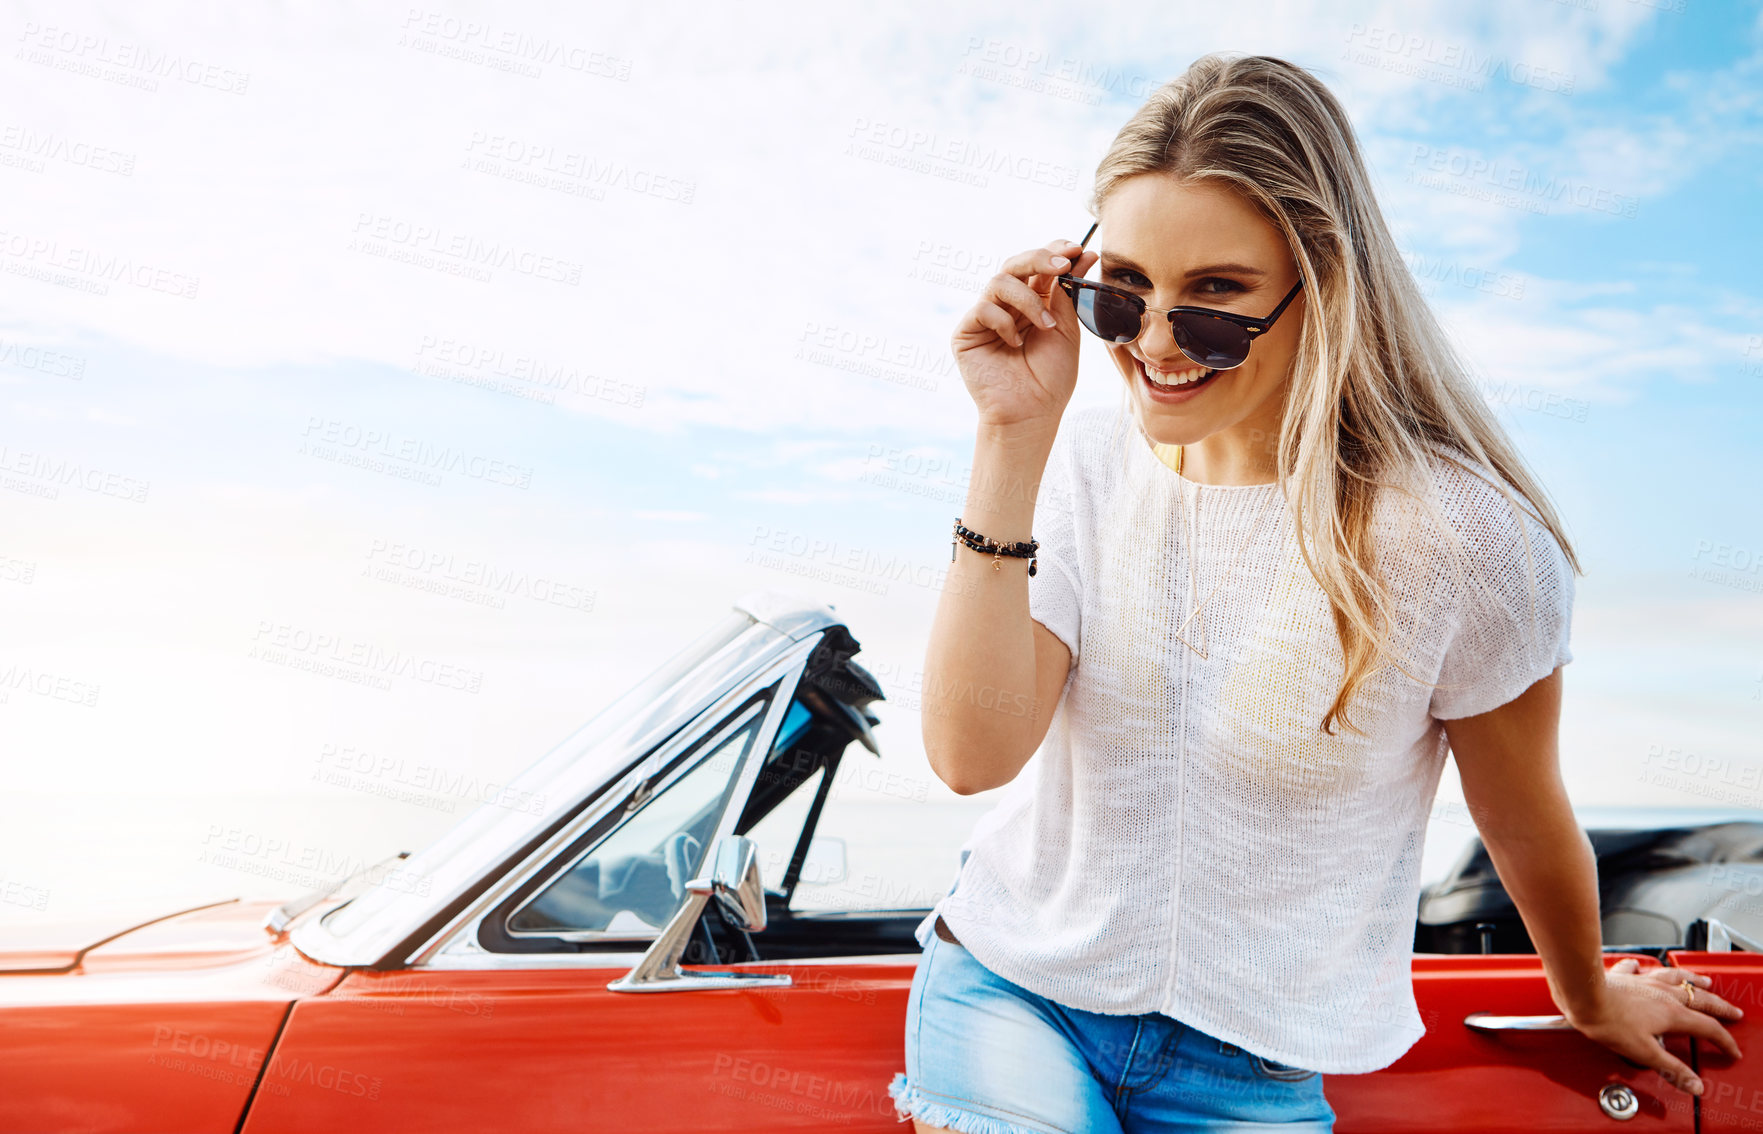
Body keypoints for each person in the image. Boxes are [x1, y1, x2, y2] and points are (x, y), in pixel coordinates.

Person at [887, 52, 1743, 1134]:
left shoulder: (1462, 540)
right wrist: (1010, 435)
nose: (1153, 343)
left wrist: (1583, 993)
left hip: (1250, 1071)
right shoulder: (1083, 471)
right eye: (1121, 294)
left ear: (1325, 284)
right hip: (1013, 1001)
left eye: (1213, 301)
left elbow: (1519, 810)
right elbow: (972, 755)